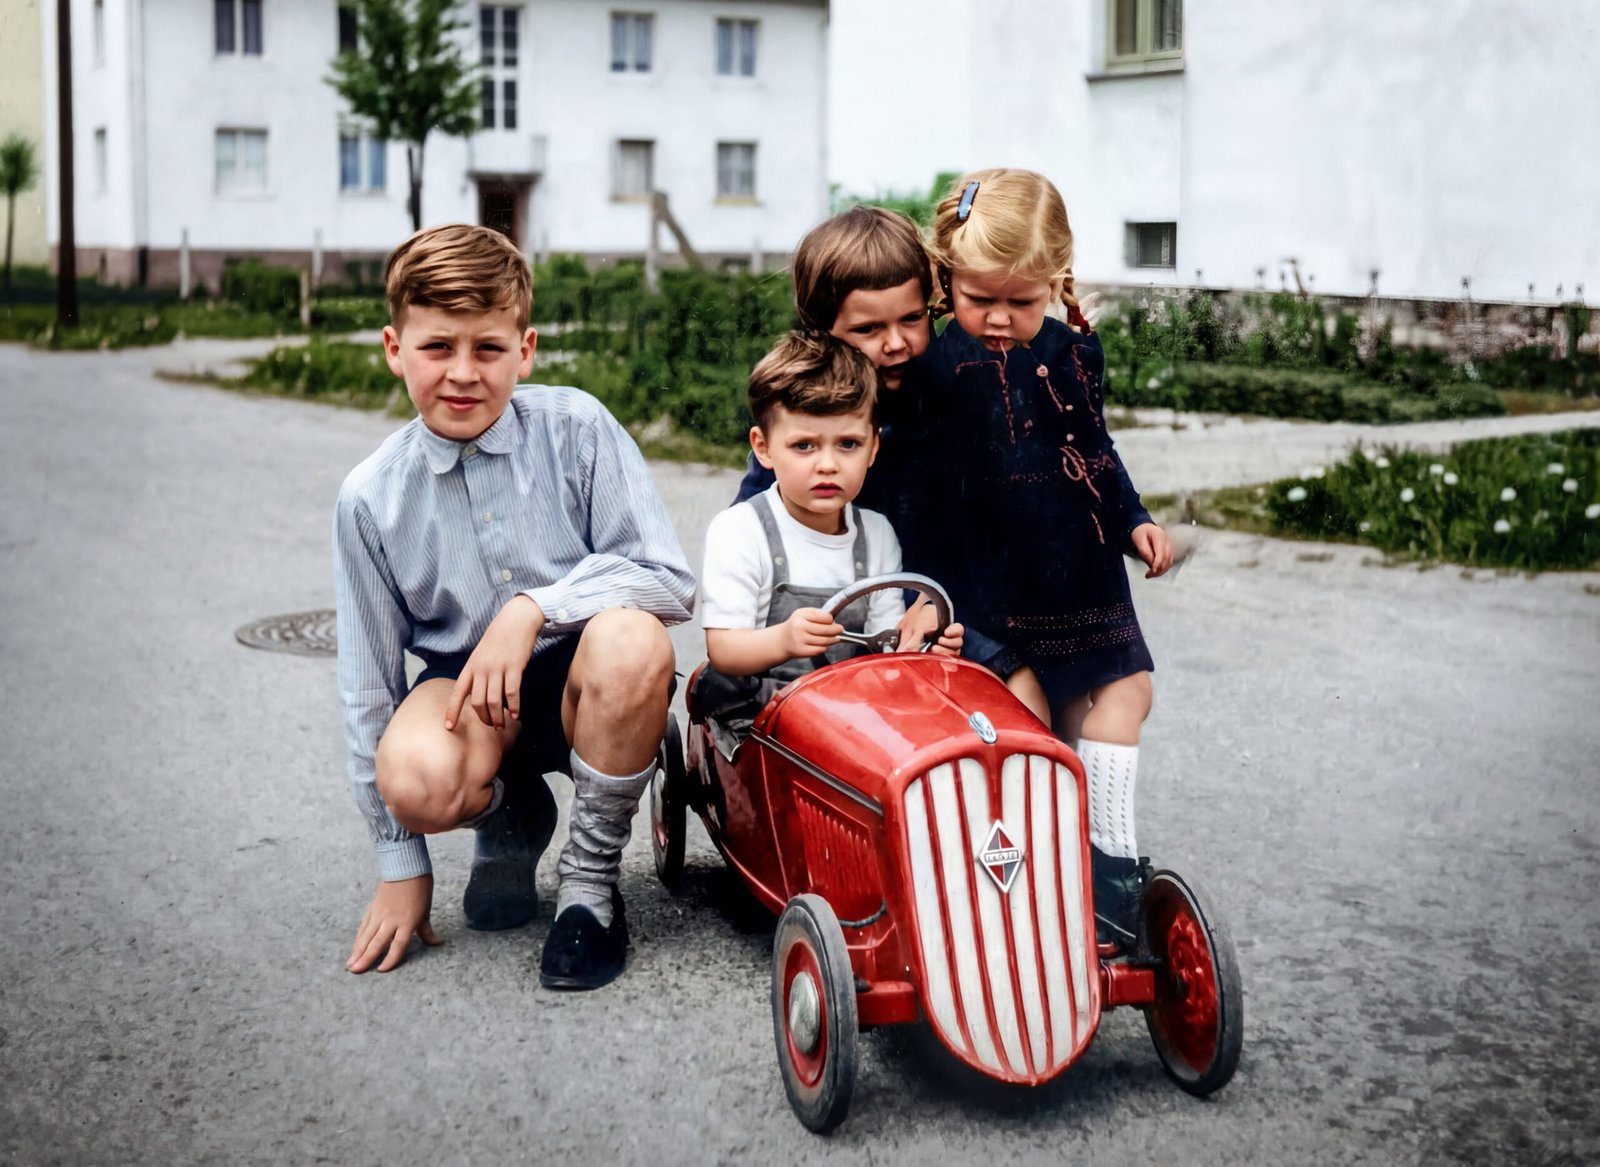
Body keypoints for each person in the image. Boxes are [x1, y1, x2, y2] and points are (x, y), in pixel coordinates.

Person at [333, 224, 695, 989]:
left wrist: (534, 607)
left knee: (633, 642)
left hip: (585, 677)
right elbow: (368, 687)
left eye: (488, 348)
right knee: (415, 773)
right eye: (437, 347)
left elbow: (667, 578)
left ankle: (589, 886)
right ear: (395, 348)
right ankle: (511, 812)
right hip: (472, 697)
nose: (463, 373)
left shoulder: (578, 428)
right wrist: (401, 864)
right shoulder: (370, 497)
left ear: (525, 350)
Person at [923, 168, 1176, 948]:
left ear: (1057, 283)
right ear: (948, 280)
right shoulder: (943, 371)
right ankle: (1019, 881)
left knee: (1126, 692)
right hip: (997, 584)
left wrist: (1132, 518)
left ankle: (1113, 865)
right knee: (1032, 731)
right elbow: (930, 498)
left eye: (1021, 302)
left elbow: (1094, 447)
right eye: (979, 298)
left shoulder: (1076, 354)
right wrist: (936, 598)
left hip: (1083, 574)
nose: (998, 318)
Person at [699, 332, 961, 754]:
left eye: (848, 445)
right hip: (759, 719)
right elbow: (724, 650)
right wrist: (783, 640)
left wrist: (923, 646)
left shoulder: (876, 534)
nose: (827, 464)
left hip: (850, 712)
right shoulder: (741, 530)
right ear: (763, 448)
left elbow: (881, 644)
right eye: (803, 446)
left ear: (873, 447)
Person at [732, 207, 936, 558]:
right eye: (868, 328)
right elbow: (747, 531)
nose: (896, 343)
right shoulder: (801, 410)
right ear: (821, 331)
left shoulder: (946, 392)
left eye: (912, 319)